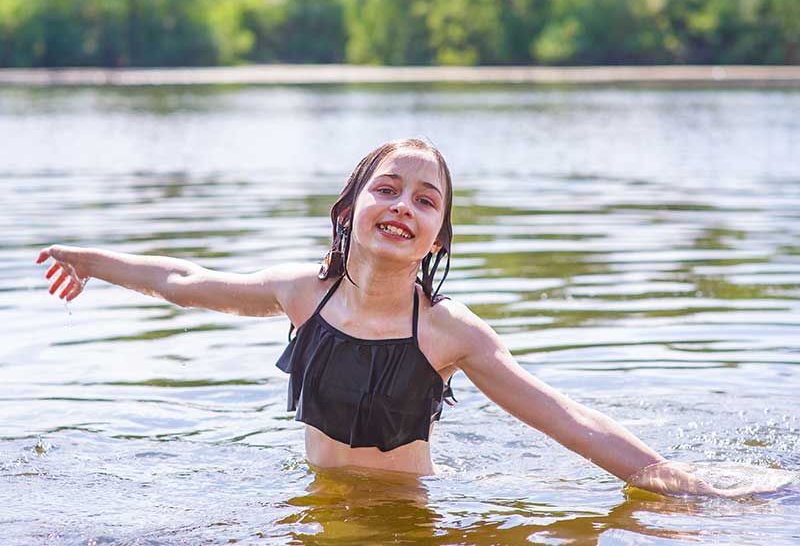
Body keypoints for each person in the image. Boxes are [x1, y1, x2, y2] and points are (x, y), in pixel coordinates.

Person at [35, 138, 751, 497]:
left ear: (437, 237)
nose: (403, 206)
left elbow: (563, 416)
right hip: (320, 495)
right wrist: (92, 261)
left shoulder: (449, 332)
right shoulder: (299, 293)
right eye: (389, 189)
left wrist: (666, 478)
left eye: (425, 199)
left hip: (411, 516)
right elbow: (182, 279)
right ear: (349, 211)